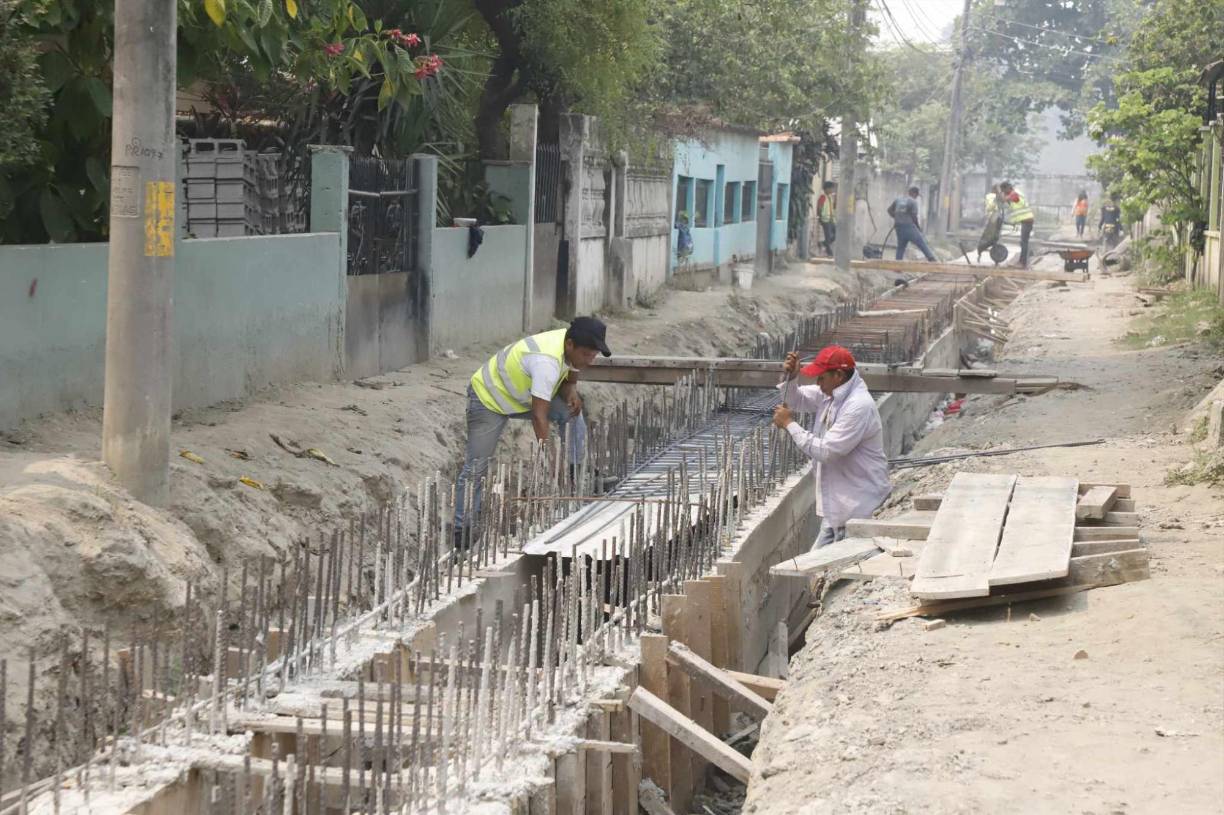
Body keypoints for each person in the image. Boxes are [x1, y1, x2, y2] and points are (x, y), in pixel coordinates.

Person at [453, 317, 611, 546]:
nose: (590, 360)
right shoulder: (546, 361)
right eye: (587, 354)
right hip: (489, 399)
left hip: (522, 396)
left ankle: (578, 471)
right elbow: (539, 416)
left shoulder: (572, 346)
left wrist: (571, 391)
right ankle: (463, 531)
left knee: (573, 413)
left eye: (594, 355)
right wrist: (552, 463)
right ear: (570, 345)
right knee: (476, 466)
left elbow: (571, 372)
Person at [772, 345, 891, 549]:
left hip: (858, 510)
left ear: (838, 375)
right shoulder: (832, 393)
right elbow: (796, 399)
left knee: (824, 568)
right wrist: (791, 378)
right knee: (814, 570)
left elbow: (827, 451)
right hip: (837, 508)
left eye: (821, 378)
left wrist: (790, 424)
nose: (818, 383)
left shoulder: (858, 405)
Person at [887, 186, 937, 262]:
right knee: (921, 242)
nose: (916, 197)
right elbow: (914, 217)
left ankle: (897, 267)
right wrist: (918, 227)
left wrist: (897, 218)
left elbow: (889, 210)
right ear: (913, 193)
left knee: (901, 246)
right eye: (916, 195)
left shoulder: (898, 199)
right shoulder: (913, 202)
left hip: (898, 227)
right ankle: (932, 260)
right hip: (908, 226)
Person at [998, 181, 1035, 267]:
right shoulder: (1014, 193)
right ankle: (1023, 262)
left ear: (1008, 188)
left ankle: (1022, 263)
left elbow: (1006, 199)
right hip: (1026, 220)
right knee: (1023, 242)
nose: (1004, 192)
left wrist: (1001, 195)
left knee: (1024, 242)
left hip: (1027, 220)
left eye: (1004, 190)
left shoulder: (1015, 194)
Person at [815, 181, 836, 257]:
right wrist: (820, 217)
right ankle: (829, 252)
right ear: (827, 189)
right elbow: (819, 207)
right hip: (825, 219)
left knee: (836, 234)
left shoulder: (830, 197)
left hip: (831, 219)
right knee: (828, 236)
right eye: (831, 188)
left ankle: (822, 244)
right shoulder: (823, 197)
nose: (832, 190)